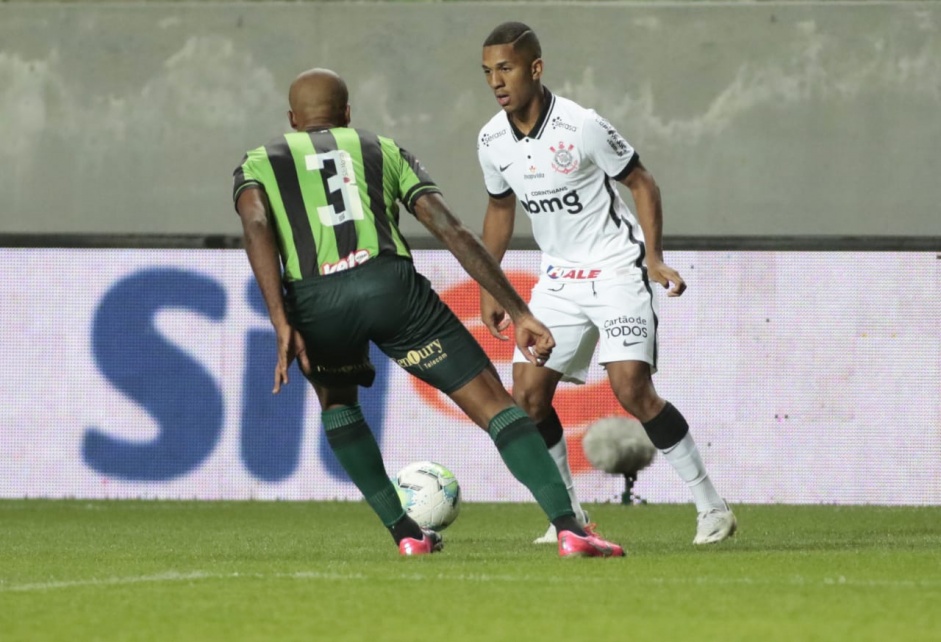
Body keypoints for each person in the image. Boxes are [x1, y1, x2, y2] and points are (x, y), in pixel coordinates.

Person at [232, 68, 625, 558]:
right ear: (348, 114)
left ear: (292, 120)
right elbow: (451, 228)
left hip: (316, 301)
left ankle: (406, 536)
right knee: (494, 404)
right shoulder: (380, 148)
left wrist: (280, 320)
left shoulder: (256, 163)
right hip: (390, 289)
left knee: (339, 406)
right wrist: (517, 310)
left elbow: (255, 225)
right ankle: (570, 529)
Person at [476, 23, 737, 545]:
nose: (496, 82)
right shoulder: (490, 140)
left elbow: (641, 181)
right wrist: (490, 285)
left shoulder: (582, 125)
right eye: (488, 73)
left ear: (535, 67)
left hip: (616, 267)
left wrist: (655, 257)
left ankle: (713, 508)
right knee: (526, 398)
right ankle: (568, 517)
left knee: (631, 389)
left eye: (505, 68)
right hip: (558, 278)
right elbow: (500, 210)